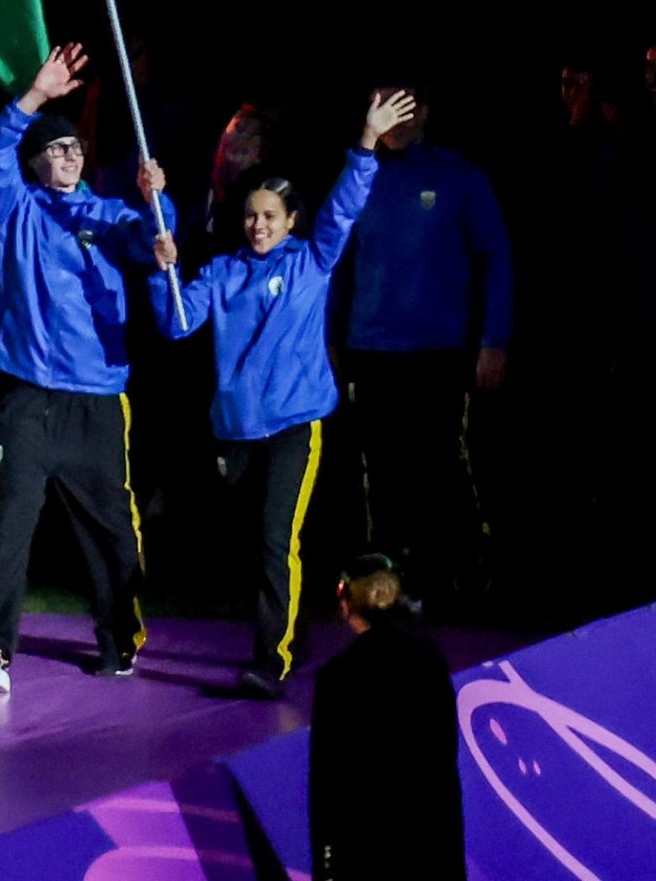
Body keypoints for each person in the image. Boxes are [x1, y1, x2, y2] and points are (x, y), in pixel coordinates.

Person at [151, 87, 415, 698]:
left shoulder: (310, 261)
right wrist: (164, 266)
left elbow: (345, 208)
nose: (259, 224)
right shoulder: (222, 271)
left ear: (292, 221)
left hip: (294, 423)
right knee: (247, 545)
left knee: (276, 539)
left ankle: (273, 660)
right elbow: (176, 323)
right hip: (235, 427)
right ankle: (299, 624)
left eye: (271, 216)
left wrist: (368, 142)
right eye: (251, 215)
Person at [0, 41, 174, 695]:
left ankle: (120, 638)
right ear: (35, 161)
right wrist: (36, 96)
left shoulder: (105, 213)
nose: (68, 157)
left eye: (74, 149)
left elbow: (151, 243)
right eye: (55, 149)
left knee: (111, 530)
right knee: (8, 526)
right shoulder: (19, 205)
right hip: (27, 398)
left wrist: (156, 217)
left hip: (95, 401)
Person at [335, 80, 512, 616]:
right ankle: (392, 585)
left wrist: (494, 341)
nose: (394, 117)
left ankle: (466, 571)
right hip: (370, 348)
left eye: (405, 106)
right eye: (383, 106)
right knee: (380, 471)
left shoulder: (458, 176)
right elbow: (332, 258)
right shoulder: (358, 177)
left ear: (427, 111)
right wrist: (329, 337)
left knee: (441, 464)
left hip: (438, 350)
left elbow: (496, 259)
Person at [308, 553, 465, 881]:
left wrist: (326, 868)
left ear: (346, 602)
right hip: (435, 848)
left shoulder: (339, 677)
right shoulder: (431, 656)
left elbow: (327, 787)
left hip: (370, 853)